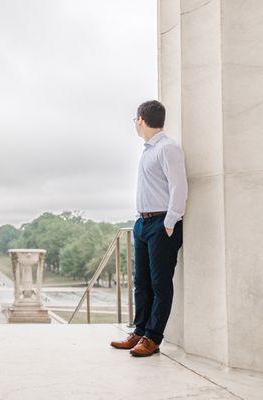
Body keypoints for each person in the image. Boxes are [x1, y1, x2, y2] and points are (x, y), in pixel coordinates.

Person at [111, 100, 187, 357]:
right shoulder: (148, 149)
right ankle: (140, 331)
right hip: (143, 224)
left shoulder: (168, 148)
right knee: (141, 282)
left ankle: (153, 338)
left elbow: (179, 187)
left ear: (141, 120)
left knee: (159, 283)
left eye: (135, 119)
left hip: (161, 224)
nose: (135, 123)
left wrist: (169, 222)